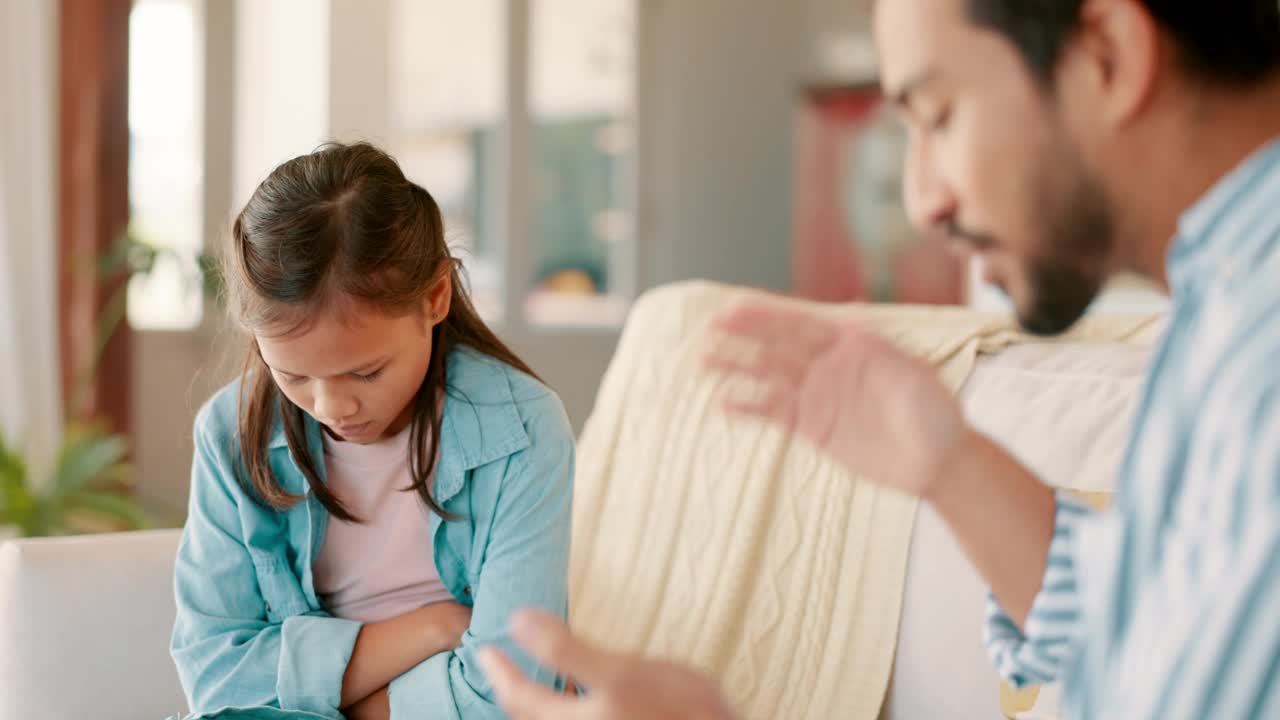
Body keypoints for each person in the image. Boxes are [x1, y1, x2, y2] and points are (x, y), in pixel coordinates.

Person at [476, 1, 1280, 717]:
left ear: (1109, 56)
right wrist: (952, 465)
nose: (924, 199)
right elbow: (1140, 627)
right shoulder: (1221, 305)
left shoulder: (1260, 364)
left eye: (938, 116)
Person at [170, 142, 575, 720]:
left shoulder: (522, 429)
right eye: (295, 375)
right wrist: (432, 629)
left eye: (365, 371)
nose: (333, 407)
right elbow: (215, 681)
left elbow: (508, 694)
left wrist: (327, 704)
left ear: (435, 298)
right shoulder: (231, 434)